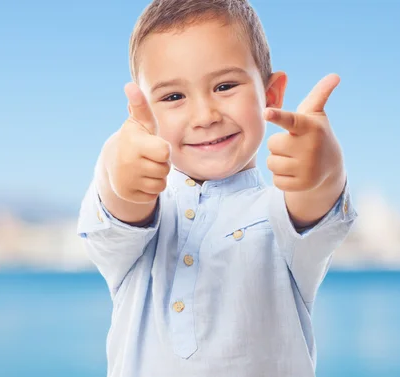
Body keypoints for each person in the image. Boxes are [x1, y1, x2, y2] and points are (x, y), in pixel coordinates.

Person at [77, 0, 357, 376]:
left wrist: (322, 170)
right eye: (173, 97)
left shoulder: (279, 213)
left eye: (225, 86)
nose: (205, 116)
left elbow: (314, 202)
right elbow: (122, 207)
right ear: (142, 114)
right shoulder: (147, 215)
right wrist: (117, 167)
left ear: (270, 96)